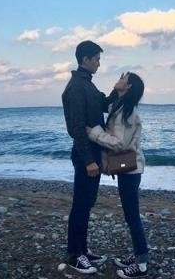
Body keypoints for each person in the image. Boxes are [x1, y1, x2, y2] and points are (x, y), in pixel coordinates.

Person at [62, 40, 117, 274]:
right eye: (96, 59)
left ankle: (83, 250)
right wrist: (88, 160)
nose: (99, 64)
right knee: (81, 205)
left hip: (93, 152)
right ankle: (75, 255)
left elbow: (103, 105)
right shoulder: (76, 87)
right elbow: (76, 128)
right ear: (85, 59)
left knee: (87, 203)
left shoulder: (87, 84)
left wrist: (118, 90)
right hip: (86, 154)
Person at [87, 72, 148, 279]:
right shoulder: (119, 106)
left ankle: (141, 264)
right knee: (131, 215)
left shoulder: (128, 112)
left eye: (123, 77)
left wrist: (93, 132)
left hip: (131, 170)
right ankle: (138, 254)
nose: (119, 78)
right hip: (127, 168)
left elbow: (119, 143)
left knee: (132, 216)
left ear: (128, 86)